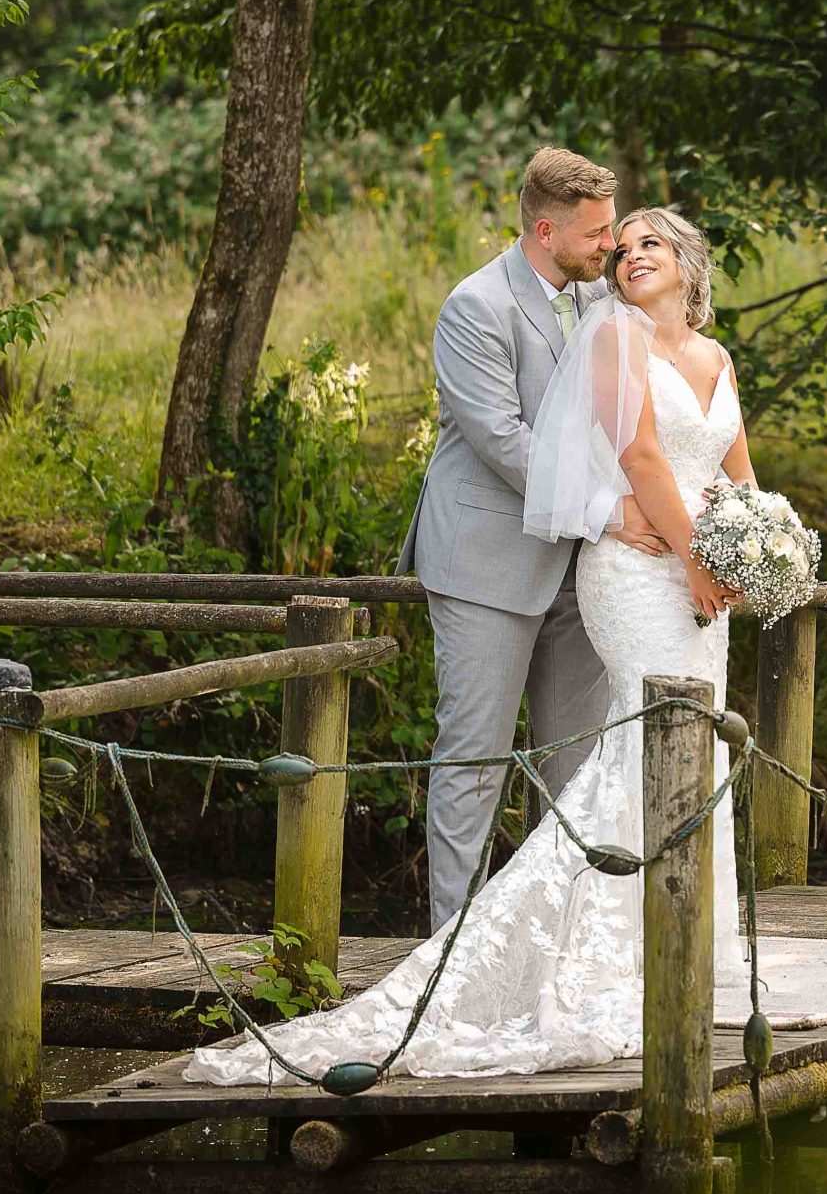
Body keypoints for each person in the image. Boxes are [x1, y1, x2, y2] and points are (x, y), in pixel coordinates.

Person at [181, 204, 754, 1084]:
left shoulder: (713, 358)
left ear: (687, 260)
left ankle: (684, 951)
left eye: (646, 241)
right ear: (548, 224)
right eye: (616, 240)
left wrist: (757, 546)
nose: (625, 252)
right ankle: (477, 954)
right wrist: (694, 558)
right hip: (625, 568)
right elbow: (624, 457)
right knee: (555, 753)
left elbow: (732, 471)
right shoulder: (564, 326)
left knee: (664, 756)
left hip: (683, 577)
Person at [396, 146, 620, 932]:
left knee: (575, 770)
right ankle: (450, 954)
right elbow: (504, 440)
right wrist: (609, 513)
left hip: (582, 571)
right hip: (488, 566)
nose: (610, 247)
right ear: (546, 227)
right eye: (596, 234)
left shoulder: (599, 300)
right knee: (473, 766)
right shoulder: (474, 307)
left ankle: (550, 951)